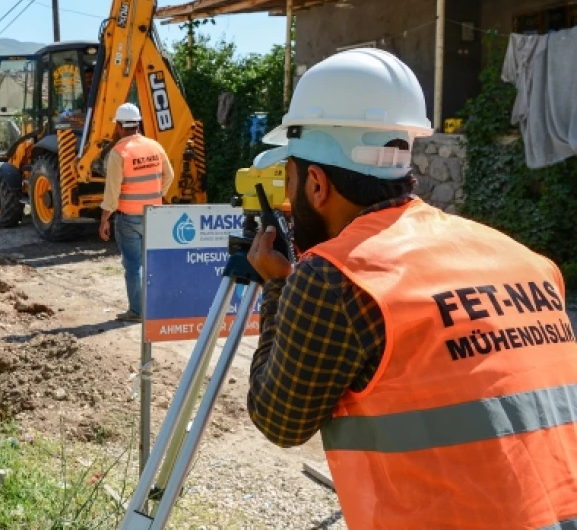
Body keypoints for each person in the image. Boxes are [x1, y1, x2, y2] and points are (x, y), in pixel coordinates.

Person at [245, 47, 577, 530]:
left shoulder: (335, 276)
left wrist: (278, 286)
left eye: (290, 181)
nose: (289, 200)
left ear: (316, 184)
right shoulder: (526, 261)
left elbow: (279, 419)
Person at [99, 103, 173, 322]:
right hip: (154, 215)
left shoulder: (118, 152)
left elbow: (112, 190)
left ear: (120, 126)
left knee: (133, 265)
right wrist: (156, 193)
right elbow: (169, 175)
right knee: (153, 263)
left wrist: (104, 218)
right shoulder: (155, 147)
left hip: (129, 217)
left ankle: (138, 312)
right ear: (139, 123)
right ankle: (156, 308)